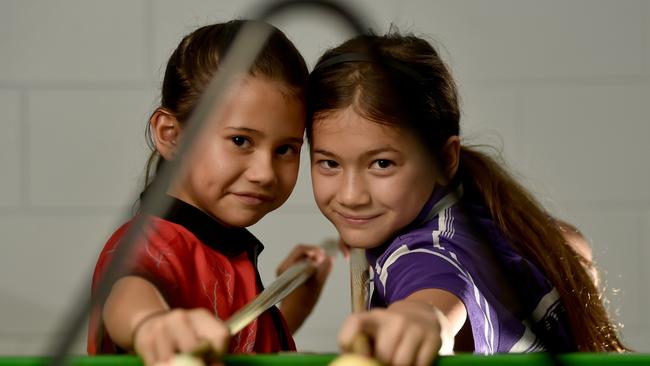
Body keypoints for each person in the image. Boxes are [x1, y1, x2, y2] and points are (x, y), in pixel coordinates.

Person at [306, 32, 626, 365]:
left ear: (445, 160)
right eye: (330, 163)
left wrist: (421, 319)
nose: (351, 196)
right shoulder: (478, 207)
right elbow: (573, 240)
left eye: (382, 164)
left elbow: (436, 286)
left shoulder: (422, 253)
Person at [87, 20, 331, 366]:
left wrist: (296, 303)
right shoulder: (152, 244)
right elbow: (129, 294)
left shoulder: (223, 247)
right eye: (240, 141)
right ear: (171, 135)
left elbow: (229, 348)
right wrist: (151, 325)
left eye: (286, 149)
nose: (264, 173)